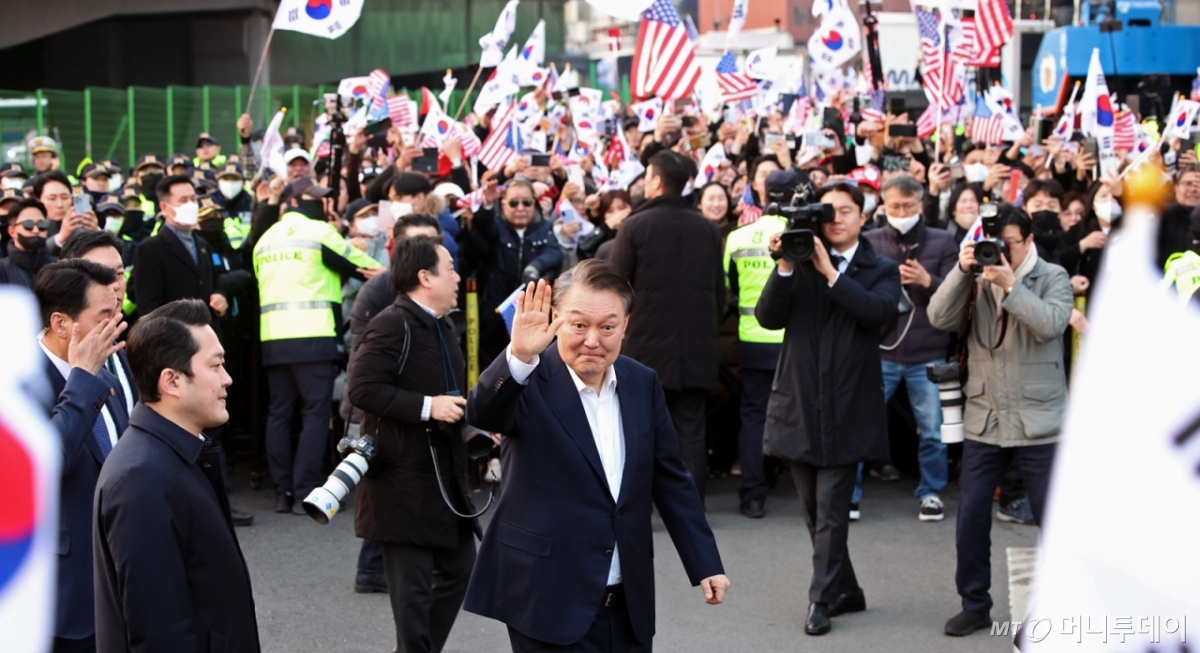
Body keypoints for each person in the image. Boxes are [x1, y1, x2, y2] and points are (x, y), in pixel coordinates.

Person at [465, 263, 730, 652]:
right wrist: (518, 356)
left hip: (628, 600)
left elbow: (670, 477)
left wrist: (705, 561)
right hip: (545, 597)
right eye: (578, 325)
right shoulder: (527, 380)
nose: (592, 340)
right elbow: (482, 413)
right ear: (556, 320)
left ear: (625, 325)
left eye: (607, 327)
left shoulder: (642, 382)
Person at [755, 181, 901, 636]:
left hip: (849, 402)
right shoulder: (796, 264)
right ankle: (848, 590)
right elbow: (767, 318)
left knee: (833, 510)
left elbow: (879, 314)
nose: (836, 219)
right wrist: (784, 264)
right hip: (797, 400)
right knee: (815, 512)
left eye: (845, 210)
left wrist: (831, 274)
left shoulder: (880, 267)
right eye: (828, 211)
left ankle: (820, 599)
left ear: (863, 216)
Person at [927, 204, 1072, 637]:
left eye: (1006, 243)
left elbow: (1051, 324)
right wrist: (960, 270)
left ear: (1028, 240)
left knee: (1054, 522)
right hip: (985, 415)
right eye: (991, 243)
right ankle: (974, 604)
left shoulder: (1053, 276)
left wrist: (1011, 285)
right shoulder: (976, 279)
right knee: (971, 516)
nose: (998, 251)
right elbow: (938, 317)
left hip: (1040, 417)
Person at [93, 299, 260, 652]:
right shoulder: (141, 478)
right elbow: (158, 630)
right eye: (216, 366)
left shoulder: (178, 454)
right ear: (171, 381)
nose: (227, 379)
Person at [345, 235, 479, 653]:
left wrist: (476, 422)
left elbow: (450, 394)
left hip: (441, 478)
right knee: (413, 598)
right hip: (401, 482)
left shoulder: (441, 325)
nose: (457, 276)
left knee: (460, 570)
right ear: (425, 277)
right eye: (450, 268)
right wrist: (428, 407)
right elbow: (361, 388)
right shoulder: (392, 322)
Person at [253, 177, 384, 514]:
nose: (324, 205)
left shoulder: (265, 239)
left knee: (279, 414)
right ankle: (305, 491)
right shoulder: (319, 232)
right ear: (295, 201)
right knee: (314, 414)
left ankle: (282, 492)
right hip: (313, 337)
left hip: (272, 338)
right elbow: (371, 269)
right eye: (317, 198)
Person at [610, 150, 724, 500]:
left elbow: (615, 286)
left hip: (642, 351)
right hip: (696, 348)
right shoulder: (707, 228)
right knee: (690, 431)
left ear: (657, 181)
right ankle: (690, 508)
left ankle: (638, 505)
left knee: (639, 430)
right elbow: (720, 294)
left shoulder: (634, 226)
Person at [34, 259, 127, 653]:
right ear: (61, 324)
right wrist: (81, 381)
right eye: (104, 315)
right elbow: (46, 465)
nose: (117, 324)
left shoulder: (106, 376)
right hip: (65, 594)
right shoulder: (21, 382)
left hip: (119, 577)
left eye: (119, 311)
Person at [862, 175, 959, 521]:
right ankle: (850, 493)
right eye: (894, 206)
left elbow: (957, 293)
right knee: (860, 424)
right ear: (883, 206)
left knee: (932, 428)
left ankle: (931, 492)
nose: (901, 211)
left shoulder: (943, 241)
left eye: (908, 205)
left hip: (927, 350)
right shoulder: (870, 241)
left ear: (921, 204)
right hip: (881, 350)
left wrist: (927, 280)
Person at [722, 173, 789, 519]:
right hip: (794, 342)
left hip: (752, 337)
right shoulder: (801, 234)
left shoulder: (737, 237)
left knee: (753, 417)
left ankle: (753, 494)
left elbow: (728, 285)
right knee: (803, 413)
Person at [469, 179, 563, 366]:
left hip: (530, 313)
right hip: (494, 313)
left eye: (526, 202)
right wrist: (487, 206)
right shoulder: (495, 226)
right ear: (503, 204)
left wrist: (535, 266)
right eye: (513, 203)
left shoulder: (544, 228)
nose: (520, 208)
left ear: (534, 203)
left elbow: (555, 253)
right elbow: (482, 230)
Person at [131, 175, 230, 319]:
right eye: (183, 200)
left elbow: (214, 281)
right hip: (173, 336)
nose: (191, 205)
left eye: (193, 199)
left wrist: (219, 295)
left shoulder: (203, 245)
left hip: (205, 332)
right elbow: (148, 306)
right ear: (165, 207)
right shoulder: (151, 249)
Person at [1, 198, 55, 289]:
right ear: (12, 231)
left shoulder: (62, 267)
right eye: (28, 224)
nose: (36, 230)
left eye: (42, 224)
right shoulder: (2, 270)